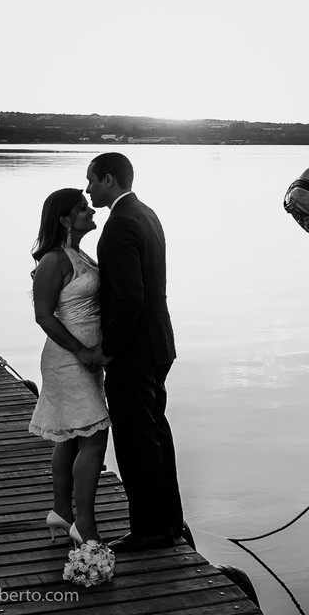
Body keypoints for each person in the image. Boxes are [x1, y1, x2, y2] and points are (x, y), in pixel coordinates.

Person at [84, 152, 184, 552]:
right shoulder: (147, 213)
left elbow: (127, 297)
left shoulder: (120, 224)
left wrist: (108, 349)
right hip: (158, 343)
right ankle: (169, 522)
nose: (88, 188)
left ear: (109, 180)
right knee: (156, 433)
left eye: (91, 180)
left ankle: (151, 530)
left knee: (136, 441)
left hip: (135, 351)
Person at [28, 188, 110, 547]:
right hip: (68, 358)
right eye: (82, 209)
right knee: (94, 436)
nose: (90, 210)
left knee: (72, 436)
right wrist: (80, 351)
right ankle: (85, 526)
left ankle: (62, 512)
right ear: (64, 219)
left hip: (88, 357)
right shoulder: (54, 260)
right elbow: (43, 316)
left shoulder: (79, 254)